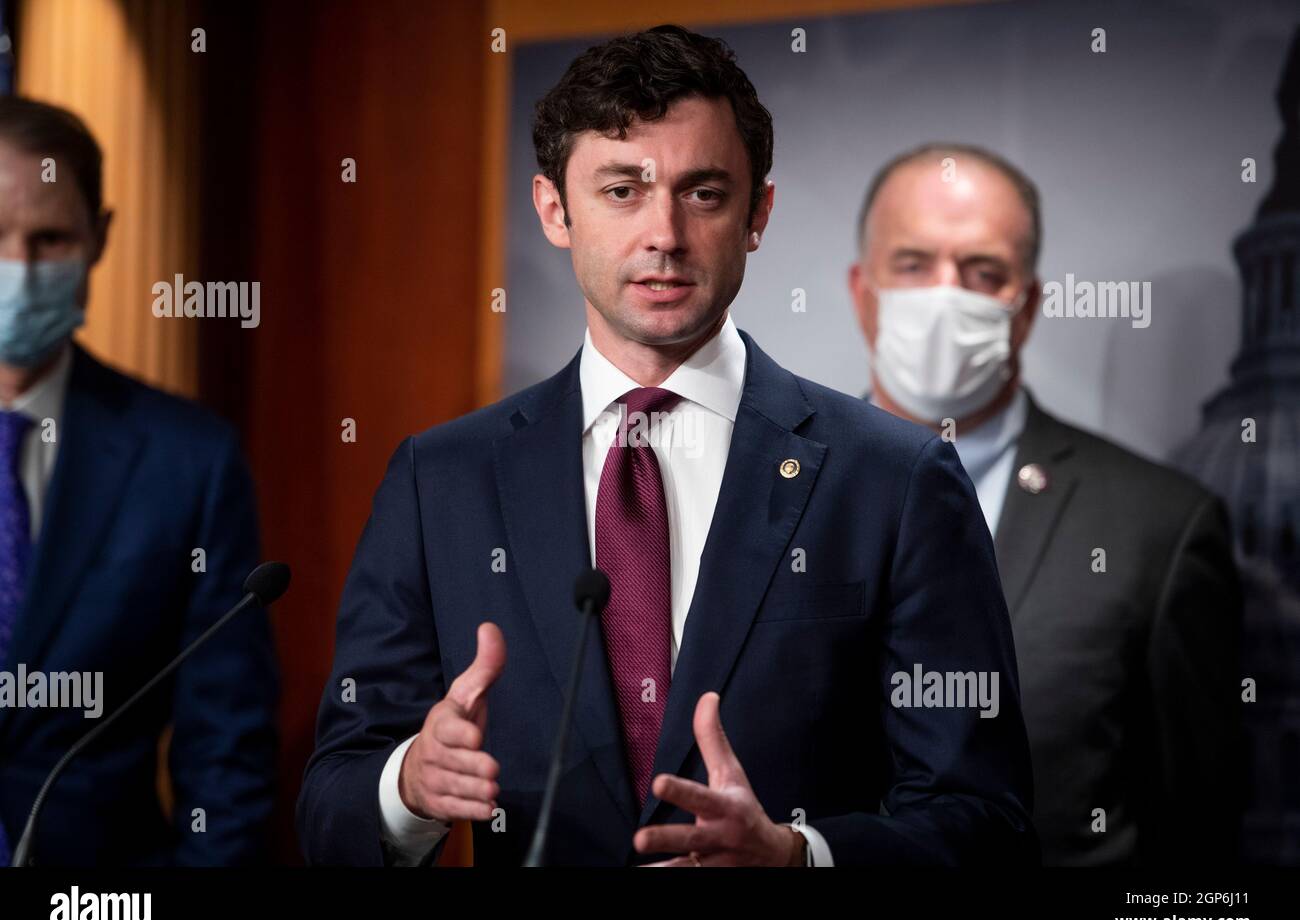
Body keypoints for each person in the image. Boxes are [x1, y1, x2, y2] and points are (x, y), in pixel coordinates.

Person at [299, 26, 1035, 867]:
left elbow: (988, 826)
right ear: (554, 210)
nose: (666, 235)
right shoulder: (442, 481)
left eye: (705, 193)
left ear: (757, 214)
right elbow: (330, 807)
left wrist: (801, 858)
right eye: (621, 190)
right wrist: (408, 785)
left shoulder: (895, 481)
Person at [848, 142, 1242, 865]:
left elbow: (1199, 847)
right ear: (860, 291)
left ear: (1025, 306)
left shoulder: (1160, 529)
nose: (945, 294)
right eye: (913, 264)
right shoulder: (766, 493)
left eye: (982, 271)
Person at [0, 96, 278, 865]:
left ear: (99, 238)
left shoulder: (187, 460)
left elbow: (225, 753)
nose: (18, 268)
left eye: (49, 237)